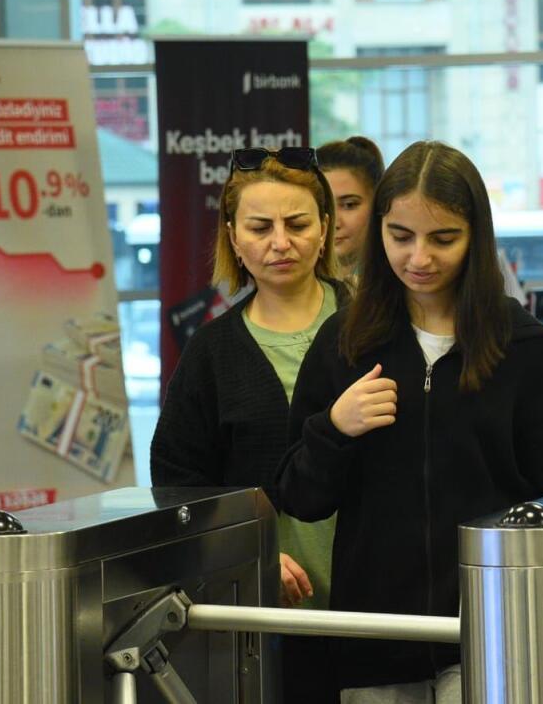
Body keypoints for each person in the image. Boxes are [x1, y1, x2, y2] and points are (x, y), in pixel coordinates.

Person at [275, 140, 543, 703]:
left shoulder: (523, 349)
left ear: (475, 237)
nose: (419, 258)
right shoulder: (346, 342)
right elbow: (300, 496)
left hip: (494, 636)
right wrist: (335, 428)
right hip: (376, 641)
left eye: (443, 239)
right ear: (379, 232)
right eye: (400, 237)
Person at [149, 146, 349, 703]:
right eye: (260, 228)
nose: (280, 243)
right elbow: (178, 486)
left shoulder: (376, 328)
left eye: (297, 224)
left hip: (382, 606)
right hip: (267, 617)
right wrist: (249, 554)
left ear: (325, 229)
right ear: (233, 238)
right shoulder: (212, 353)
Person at [317, 135, 385, 283]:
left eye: (349, 205)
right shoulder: (291, 284)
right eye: (324, 206)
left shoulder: (399, 282)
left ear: (377, 203)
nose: (335, 223)